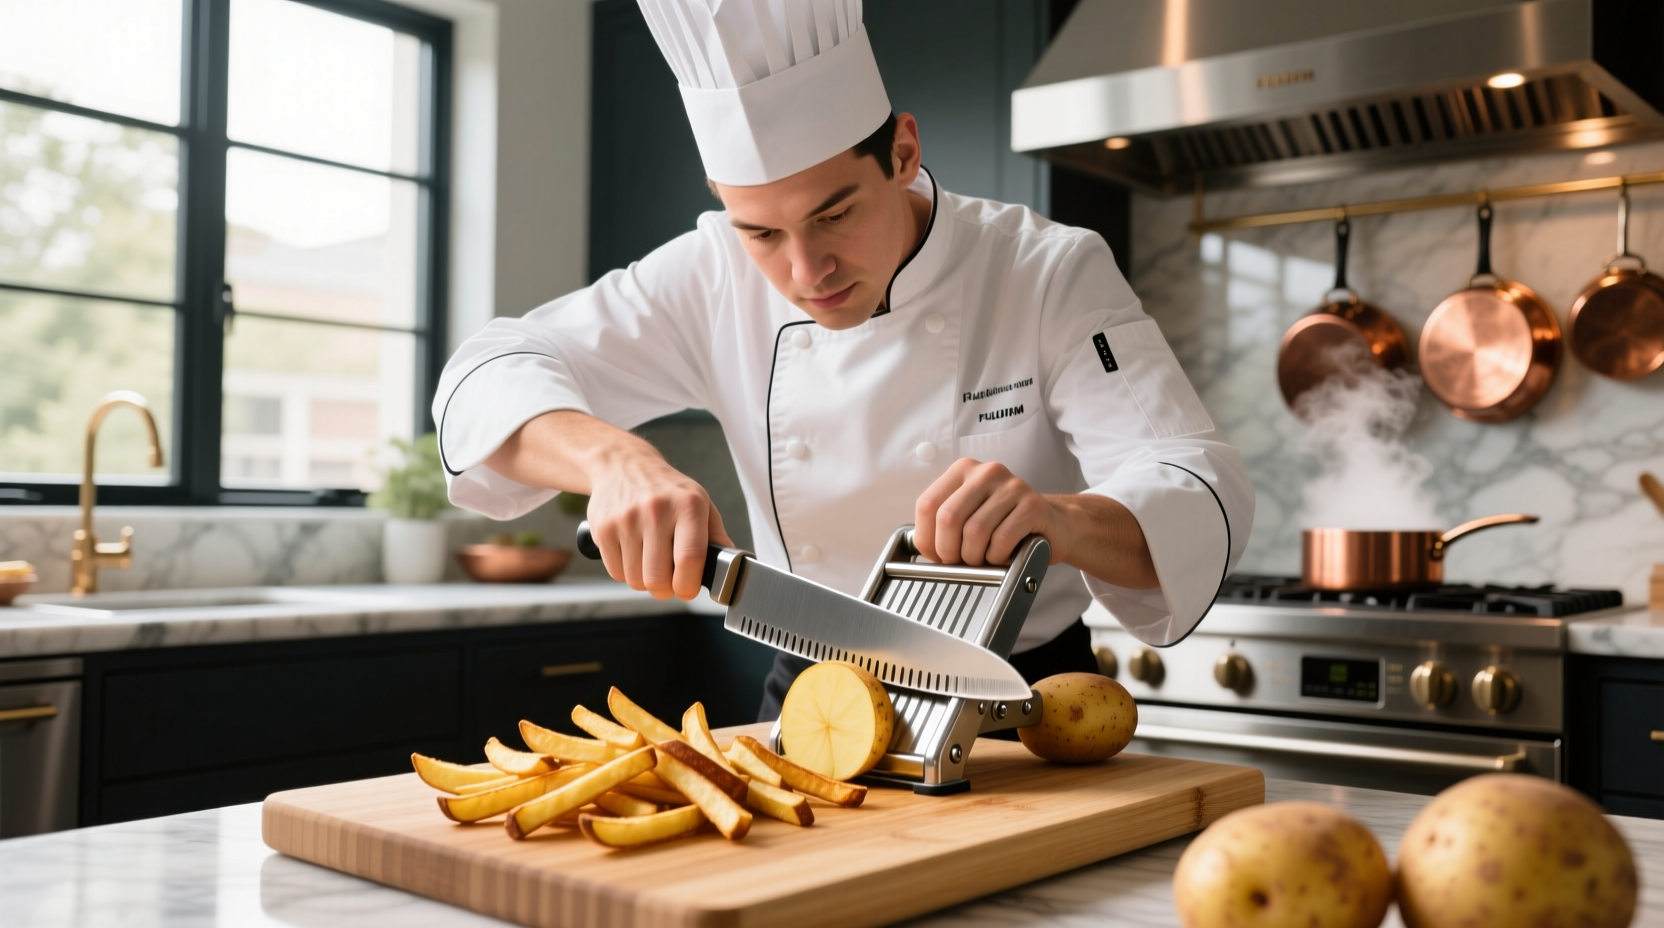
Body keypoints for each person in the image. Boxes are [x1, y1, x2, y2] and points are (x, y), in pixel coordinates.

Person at [434, 0, 1254, 721]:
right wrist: (613, 460)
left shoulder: (1044, 271)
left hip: (1024, 701)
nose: (805, 271)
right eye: (760, 232)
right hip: (813, 697)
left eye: (835, 214)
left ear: (901, 153)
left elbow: (1195, 480)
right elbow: (484, 375)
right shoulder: (709, 274)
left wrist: (1062, 521)